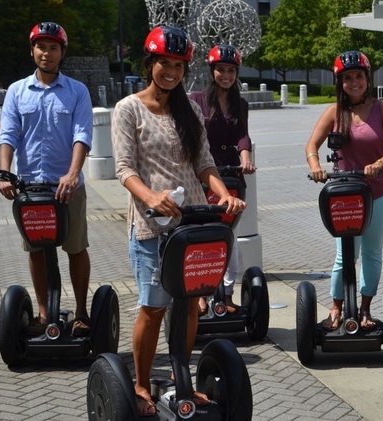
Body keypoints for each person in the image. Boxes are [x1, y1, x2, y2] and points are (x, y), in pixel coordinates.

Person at [112, 25, 245, 416]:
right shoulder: (128, 108)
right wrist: (151, 196)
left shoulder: (189, 110)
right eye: (164, 64)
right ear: (150, 63)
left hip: (191, 225)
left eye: (178, 65)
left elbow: (204, 161)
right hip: (152, 226)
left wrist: (222, 193)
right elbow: (123, 168)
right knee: (153, 306)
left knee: (188, 306)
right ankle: (139, 383)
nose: (171, 71)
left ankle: (182, 380)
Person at [0, 22, 93, 338]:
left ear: (62, 52)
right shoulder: (16, 91)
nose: (46, 52)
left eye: (53, 47)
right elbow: (8, 134)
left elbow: (82, 134)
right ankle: (42, 314)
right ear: (32, 50)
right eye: (41, 46)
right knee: (36, 251)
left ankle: (81, 313)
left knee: (76, 248)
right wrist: (5, 173)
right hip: (32, 189)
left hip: (68, 188)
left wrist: (74, 172)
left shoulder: (77, 91)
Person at [305, 51, 383, 331]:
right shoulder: (335, 111)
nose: (354, 82)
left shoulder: (381, 109)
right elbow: (312, 145)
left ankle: (364, 309)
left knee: (372, 252)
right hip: (345, 193)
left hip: (379, 191)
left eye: (358, 76)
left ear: (367, 78)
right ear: (340, 82)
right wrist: (315, 166)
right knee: (345, 254)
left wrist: (380, 163)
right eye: (347, 78)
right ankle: (336, 309)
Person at [189, 44, 255, 316]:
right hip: (204, 175)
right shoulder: (197, 100)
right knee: (204, 237)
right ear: (212, 71)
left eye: (231, 70)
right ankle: (202, 294)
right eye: (220, 70)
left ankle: (226, 294)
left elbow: (242, 135)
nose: (225, 75)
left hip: (231, 176)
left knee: (230, 237)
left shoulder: (241, 103)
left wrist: (246, 157)